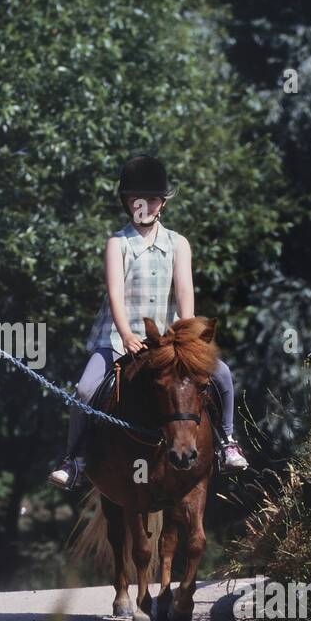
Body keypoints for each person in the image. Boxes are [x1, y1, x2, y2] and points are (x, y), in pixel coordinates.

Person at [47, 155, 247, 488]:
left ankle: (227, 442)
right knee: (84, 390)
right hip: (117, 339)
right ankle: (75, 459)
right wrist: (126, 335)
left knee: (222, 374)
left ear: (163, 203)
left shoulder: (178, 244)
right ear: (128, 203)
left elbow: (185, 296)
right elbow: (115, 292)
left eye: (153, 199)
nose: (146, 205)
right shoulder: (118, 243)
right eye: (138, 199)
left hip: (168, 343)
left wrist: (188, 340)